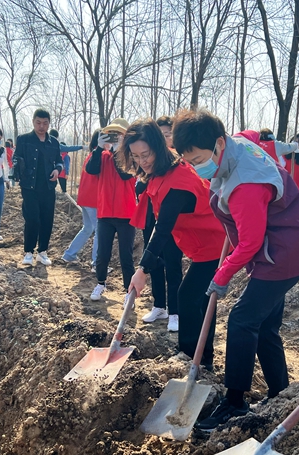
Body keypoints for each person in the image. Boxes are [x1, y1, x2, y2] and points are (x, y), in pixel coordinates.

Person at [173, 110, 299, 431]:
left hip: (280, 254)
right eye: (190, 162)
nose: (197, 168)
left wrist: (220, 276)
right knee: (264, 324)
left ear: (219, 144)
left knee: (242, 319)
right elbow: (253, 134)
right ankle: (280, 392)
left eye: (199, 159)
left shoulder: (246, 186)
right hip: (283, 245)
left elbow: (250, 242)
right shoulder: (238, 144)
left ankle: (235, 401)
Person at [124, 119, 226, 366]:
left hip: (215, 242)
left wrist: (142, 269)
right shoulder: (160, 171)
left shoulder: (179, 180)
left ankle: (192, 356)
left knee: (188, 295)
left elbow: (162, 229)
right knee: (200, 299)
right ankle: (202, 358)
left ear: (158, 147)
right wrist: (146, 264)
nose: (142, 161)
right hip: (200, 244)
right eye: (136, 156)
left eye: (146, 154)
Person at [138, 115, 184, 332]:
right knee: (154, 263)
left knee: (173, 266)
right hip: (150, 218)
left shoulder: (178, 164)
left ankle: (175, 311)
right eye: (161, 134)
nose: (165, 138)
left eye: (168, 134)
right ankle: (159, 306)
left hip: (171, 224)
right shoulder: (147, 164)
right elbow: (139, 189)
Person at [84, 118, 136, 301]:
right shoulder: (102, 156)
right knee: (102, 254)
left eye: (119, 136)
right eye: (112, 135)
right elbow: (90, 169)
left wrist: (118, 151)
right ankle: (100, 283)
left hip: (127, 214)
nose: (115, 139)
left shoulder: (131, 158)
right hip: (105, 213)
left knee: (126, 256)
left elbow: (124, 175)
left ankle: (128, 291)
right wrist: (98, 148)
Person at [12, 109, 64, 266]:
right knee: (32, 218)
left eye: (45, 123)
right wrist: (17, 170)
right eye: (38, 123)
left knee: (47, 219)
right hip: (29, 186)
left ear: (49, 123)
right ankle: (28, 252)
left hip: (48, 186)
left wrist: (57, 169)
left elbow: (59, 161)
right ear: (33, 122)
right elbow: (15, 158)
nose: (42, 126)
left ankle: (42, 252)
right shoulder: (24, 139)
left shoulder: (53, 142)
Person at [62, 130, 100, 266]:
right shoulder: (99, 156)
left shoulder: (91, 154)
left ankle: (69, 254)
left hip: (85, 198)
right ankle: (97, 263)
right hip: (93, 199)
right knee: (99, 231)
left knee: (88, 228)